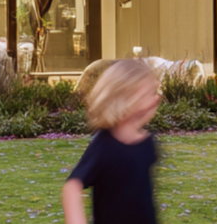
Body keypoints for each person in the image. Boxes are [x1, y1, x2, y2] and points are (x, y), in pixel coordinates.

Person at [61, 59, 162, 224]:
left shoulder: (147, 144)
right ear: (125, 99)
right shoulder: (104, 145)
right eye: (148, 94)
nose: (155, 99)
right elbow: (72, 187)